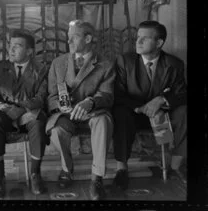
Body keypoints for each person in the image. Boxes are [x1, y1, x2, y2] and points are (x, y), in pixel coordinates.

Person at [112, 20, 187, 191]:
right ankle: (121, 169)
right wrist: (140, 107)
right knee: (121, 113)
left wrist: (161, 100)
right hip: (135, 113)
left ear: (159, 43)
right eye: (138, 37)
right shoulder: (125, 61)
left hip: (162, 114)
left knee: (184, 112)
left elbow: (182, 93)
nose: (137, 42)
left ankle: (176, 166)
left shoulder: (174, 64)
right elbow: (118, 94)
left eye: (144, 39)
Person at [46, 20, 115, 201]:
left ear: (88, 38)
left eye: (74, 37)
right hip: (65, 114)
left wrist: (90, 102)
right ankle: (66, 169)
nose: (68, 42)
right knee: (56, 129)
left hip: (92, 111)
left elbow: (107, 95)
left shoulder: (105, 64)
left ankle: (97, 178)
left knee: (103, 121)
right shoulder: (58, 63)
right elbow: (52, 96)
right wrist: (61, 106)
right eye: (68, 38)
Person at [0, 29, 48, 198]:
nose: (11, 50)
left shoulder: (41, 69)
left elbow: (41, 98)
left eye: (17, 46)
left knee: (38, 121)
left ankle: (35, 174)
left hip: (28, 114)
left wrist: (19, 109)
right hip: (5, 114)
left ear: (29, 51)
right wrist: (0, 105)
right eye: (10, 46)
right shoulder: (0, 68)